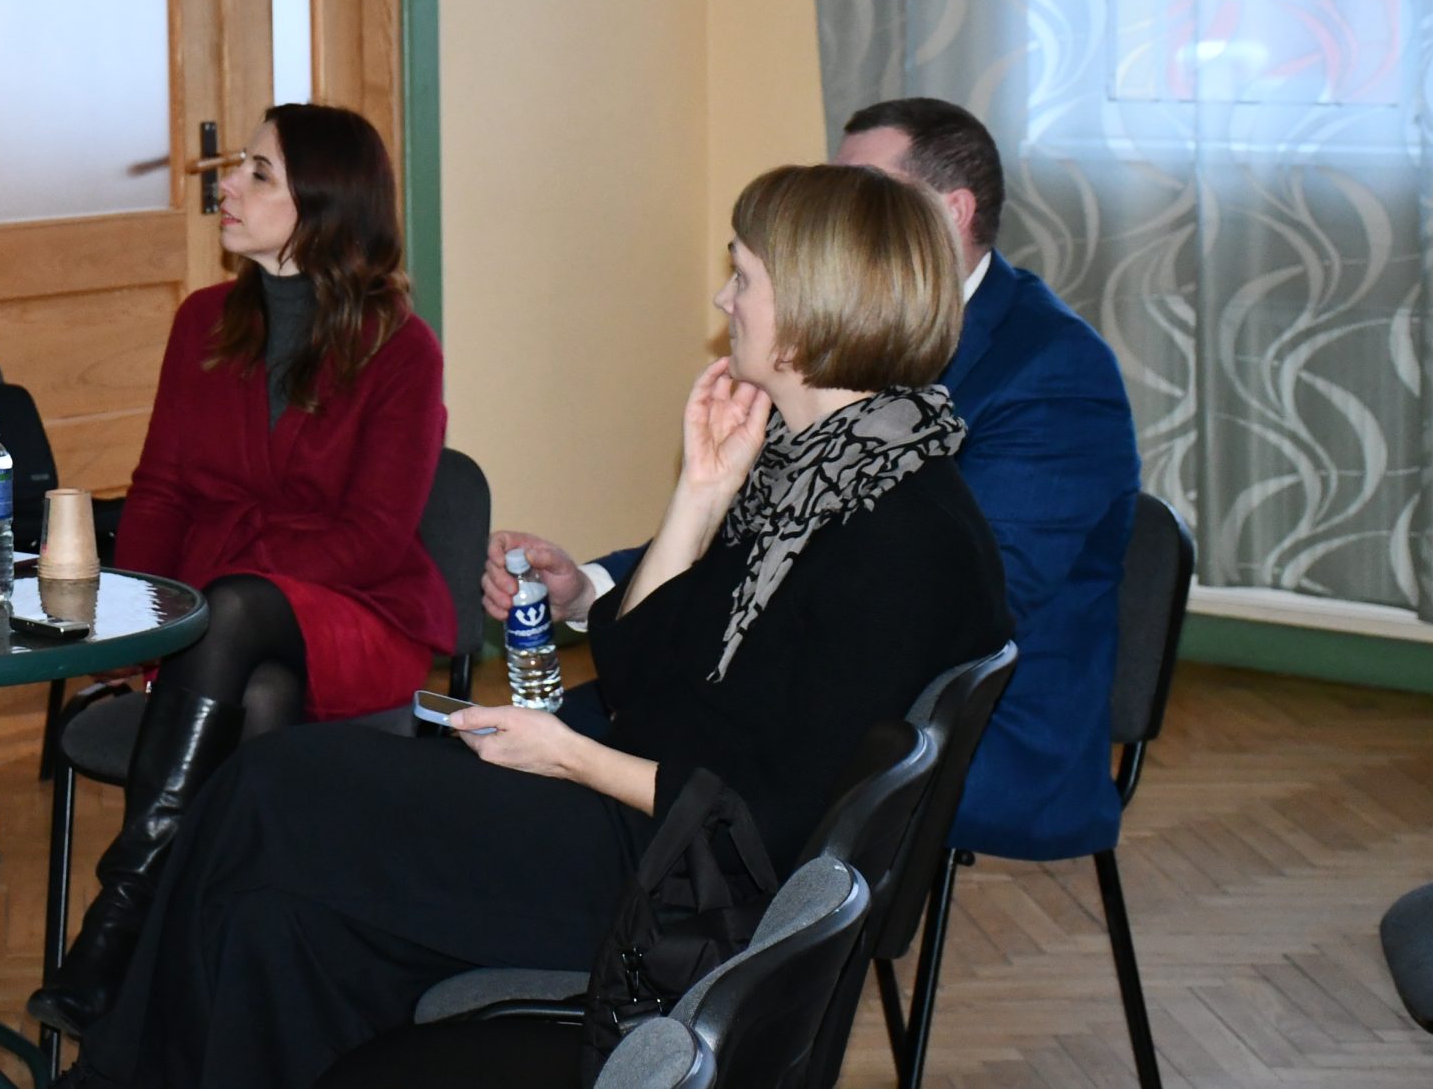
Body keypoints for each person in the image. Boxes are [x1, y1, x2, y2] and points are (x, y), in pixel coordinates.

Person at [62, 165, 1012, 1089]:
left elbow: (776, 820)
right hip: (647, 818)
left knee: (271, 789)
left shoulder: (899, 537)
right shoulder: (818, 473)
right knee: (276, 919)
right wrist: (698, 492)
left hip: (676, 880)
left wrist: (566, 756)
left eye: (745, 276)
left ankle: (109, 1058)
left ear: (811, 306)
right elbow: (643, 674)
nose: (724, 297)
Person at [500, 98, 1139, 862]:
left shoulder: (1052, 369)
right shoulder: (822, 375)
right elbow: (765, 544)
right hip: (796, 698)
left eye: (866, 187)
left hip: (974, 745)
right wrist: (597, 586)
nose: (835, 208)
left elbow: (972, 594)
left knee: (528, 783)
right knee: (500, 754)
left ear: (949, 212)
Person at [27, 104, 453, 1040]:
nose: (228, 184)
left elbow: (374, 537)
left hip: (355, 612)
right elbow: (162, 489)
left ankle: (121, 916)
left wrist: (224, 591)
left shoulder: (401, 350)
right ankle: (216, 976)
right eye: (240, 167)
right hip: (218, 626)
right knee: (258, 691)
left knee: (238, 611)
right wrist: (136, 611)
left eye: (259, 172)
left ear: (326, 205)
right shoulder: (204, 323)